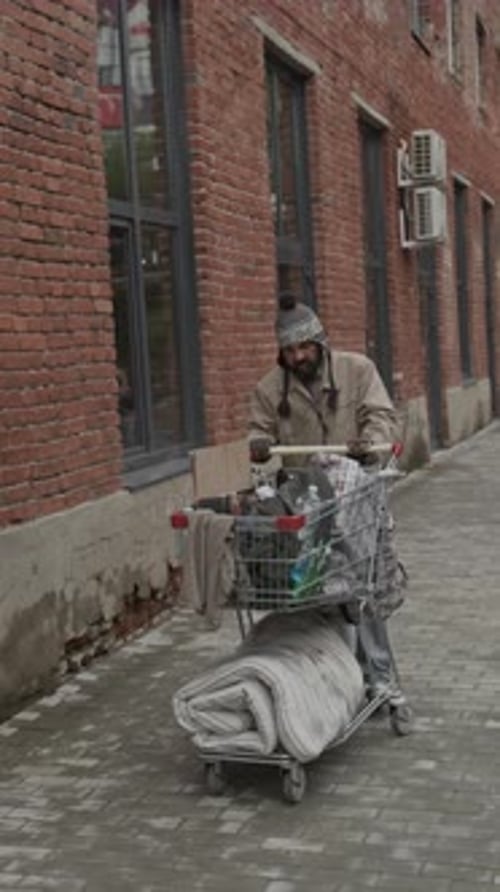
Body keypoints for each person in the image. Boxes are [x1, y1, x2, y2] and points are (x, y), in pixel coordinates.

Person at [248, 291, 400, 699]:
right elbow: (258, 427)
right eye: (289, 351)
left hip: (355, 496)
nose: (298, 357)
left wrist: (368, 442)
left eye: (304, 347)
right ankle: (332, 679)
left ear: (320, 343)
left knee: (360, 587)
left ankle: (379, 676)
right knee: (315, 592)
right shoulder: (269, 388)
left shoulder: (357, 370)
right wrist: (259, 443)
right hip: (307, 504)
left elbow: (382, 416)